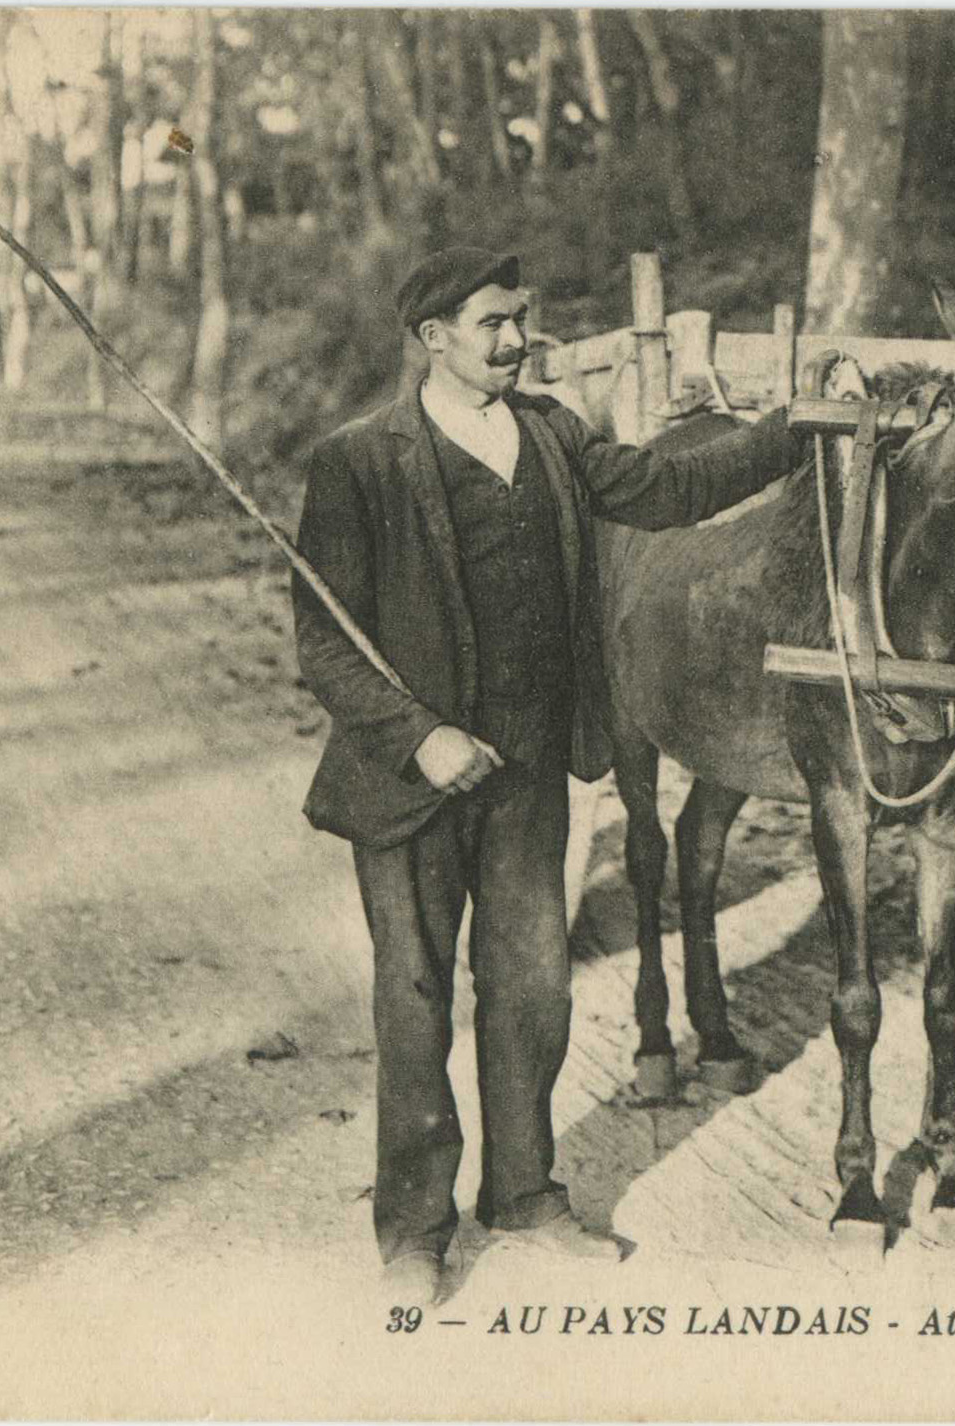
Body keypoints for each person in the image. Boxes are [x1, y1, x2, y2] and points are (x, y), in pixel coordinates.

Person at [291, 247, 799, 1303]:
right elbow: (325, 646)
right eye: (491, 324)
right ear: (434, 339)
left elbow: (672, 488)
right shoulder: (360, 464)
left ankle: (522, 1194)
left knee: (528, 986)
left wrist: (790, 433)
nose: (515, 341)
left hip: (526, 773)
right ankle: (413, 1230)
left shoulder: (556, 437)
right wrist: (418, 732)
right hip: (411, 781)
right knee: (417, 994)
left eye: (518, 319)